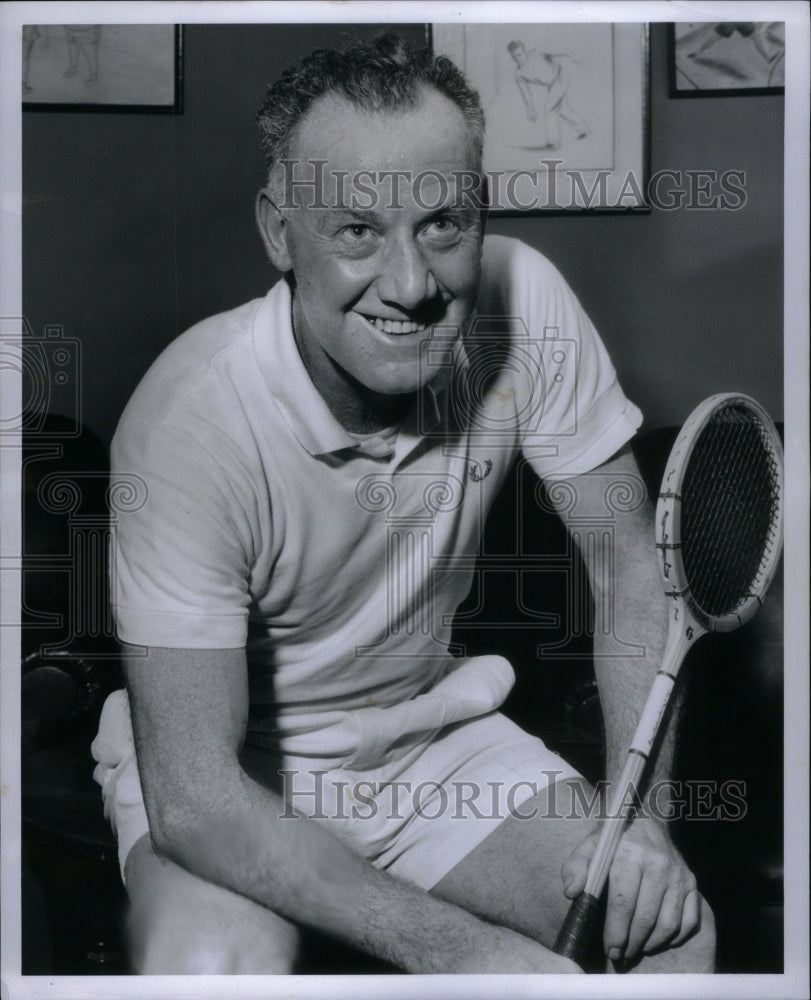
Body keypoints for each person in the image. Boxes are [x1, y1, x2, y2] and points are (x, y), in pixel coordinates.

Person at [91, 33, 715, 974]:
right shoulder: (188, 420)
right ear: (277, 232)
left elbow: (628, 562)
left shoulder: (526, 304)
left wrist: (640, 832)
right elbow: (199, 800)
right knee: (211, 965)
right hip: (238, 774)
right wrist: (461, 954)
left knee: (665, 932)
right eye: (355, 231)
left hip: (427, 743)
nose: (413, 284)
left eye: (442, 225)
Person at [507, 40, 591, 149]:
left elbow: (560, 50)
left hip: (560, 76)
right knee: (564, 110)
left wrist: (572, 55)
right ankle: (584, 129)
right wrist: (530, 109)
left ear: (525, 51)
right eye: (514, 57)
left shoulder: (538, 51)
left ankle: (553, 142)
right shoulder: (519, 74)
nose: (518, 59)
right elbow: (526, 93)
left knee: (549, 108)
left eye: (519, 54)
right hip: (552, 85)